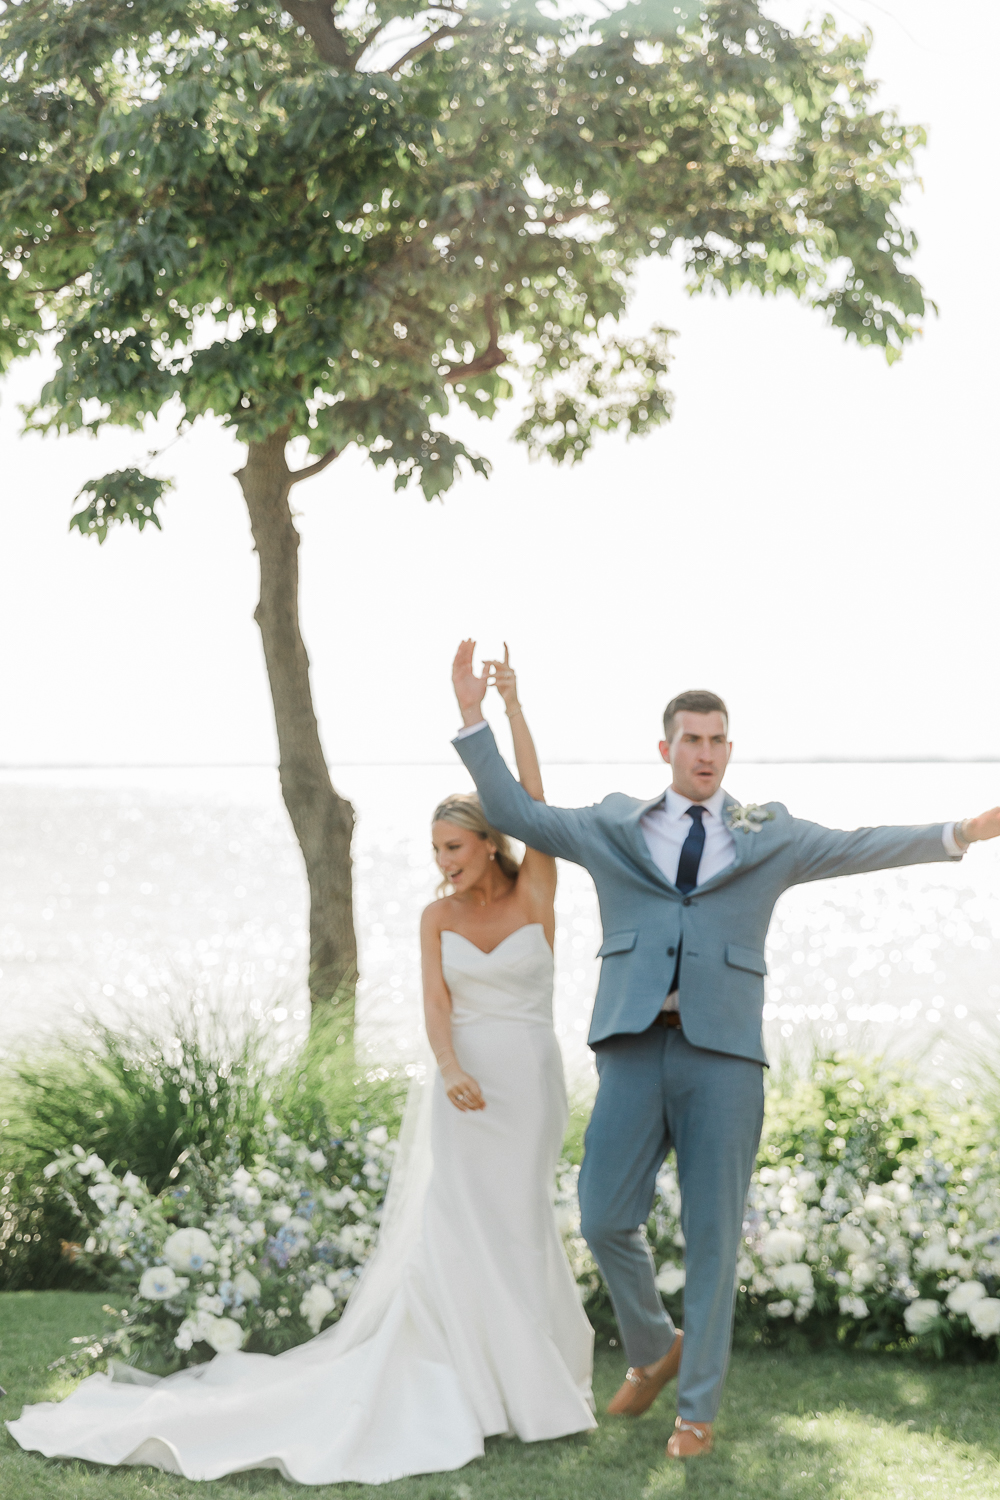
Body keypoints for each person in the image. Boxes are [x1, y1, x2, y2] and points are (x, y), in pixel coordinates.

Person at [7, 648, 595, 1484]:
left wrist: (508, 710)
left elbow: (535, 803)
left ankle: (523, 1384)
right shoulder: (434, 918)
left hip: (528, 1087)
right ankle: (469, 1382)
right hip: (461, 1090)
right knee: (458, 1228)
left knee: (519, 1224)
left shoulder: (538, 889)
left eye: (456, 846)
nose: (444, 861)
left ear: (489, 841)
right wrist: (448, 1063)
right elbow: (435, 1003)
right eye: (435, 849)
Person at [450, 641, 1000, 1459]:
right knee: (603, 1216)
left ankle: (695, 1412)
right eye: (691, 740)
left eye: (717, 741)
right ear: (665, 747)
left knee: (714, 1237)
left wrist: (958, 832)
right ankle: (652, 1349)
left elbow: (857, 845)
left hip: (725, 1059)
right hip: (634, 1047)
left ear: (729, 751)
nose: (704, 754)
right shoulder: (611, 825)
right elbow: (522, 817)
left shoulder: (767, 833)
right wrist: (473, 716)